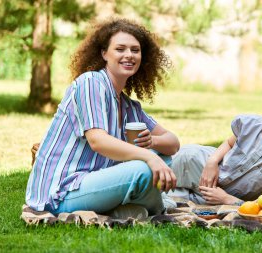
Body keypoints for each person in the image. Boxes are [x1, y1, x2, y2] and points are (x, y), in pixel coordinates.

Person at [25, 18, 180, 218]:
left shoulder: (128, 106)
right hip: (61, 193)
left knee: (163, 158)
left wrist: (153, 142)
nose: (129, 55)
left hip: (94, 183)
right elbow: (98, 141)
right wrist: (149, 156)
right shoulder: (90, 83)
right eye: (120, 49)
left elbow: (173, 144)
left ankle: (131, 206)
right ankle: (156, 206)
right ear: (104, 53)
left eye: (135, 50)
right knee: (145, 168)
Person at [168, 96, 262, 208]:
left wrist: (227, 200)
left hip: (218, 192)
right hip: (206, 167)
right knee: (186, 156)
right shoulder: (254, 124)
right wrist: (212, 161)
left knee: (169, 199)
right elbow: (230, 142)